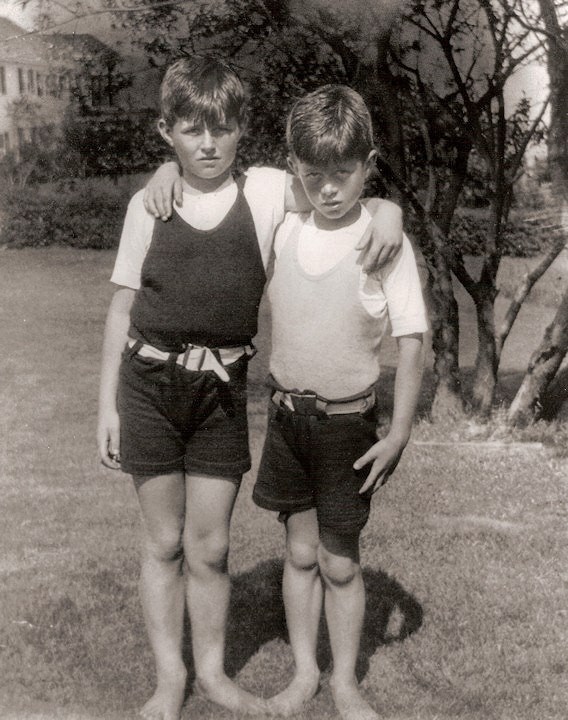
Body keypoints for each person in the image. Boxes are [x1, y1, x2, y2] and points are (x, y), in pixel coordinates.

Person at [97, 57, 403, 720]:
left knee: (209, 546)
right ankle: (168, 678)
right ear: (166, 132)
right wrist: (106, 408)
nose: (207, 142)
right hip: (147, 386)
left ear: (241, 131)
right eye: (191, 129)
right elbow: (121, 310)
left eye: (222, 128)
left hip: (220, 395)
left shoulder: (264, 191)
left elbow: (339, 186)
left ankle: (212, 675)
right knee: (163, 542)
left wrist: (390, 210)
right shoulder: (148, 205)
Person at [252, 85, 428, 720]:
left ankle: (346, 683)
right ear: (297, 167)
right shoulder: (285, 225)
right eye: (314, 173)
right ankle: (304, 673)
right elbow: (221, 178)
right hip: (287, 419)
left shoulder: (384, 244)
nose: (328, 188)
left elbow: (413, 341)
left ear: (368, 164)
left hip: (346, 428)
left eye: (345, 174)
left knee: (340, 561)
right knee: (299, 555)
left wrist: (401, 429)